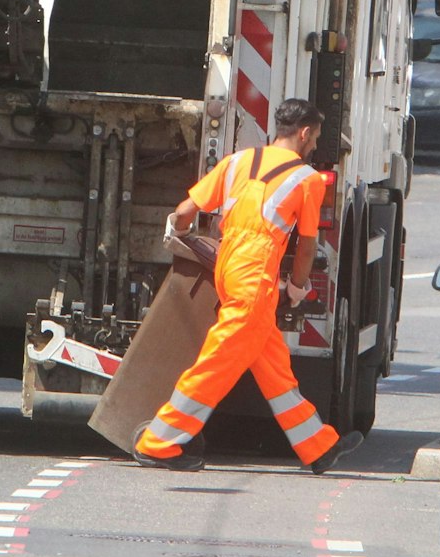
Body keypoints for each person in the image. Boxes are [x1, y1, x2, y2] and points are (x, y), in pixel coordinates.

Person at [132, 98, 364, 474]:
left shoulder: (238, 161)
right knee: (217, 362)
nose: (315, 146)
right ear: (304, 133)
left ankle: (317, 446)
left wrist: (184, 235)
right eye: (316, 138)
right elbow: (306, 246)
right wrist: (297, 288)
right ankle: (158, 443)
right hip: (257, 276)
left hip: (229, 266)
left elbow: (185, 211)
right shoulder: (307, 180)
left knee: (273, 365)